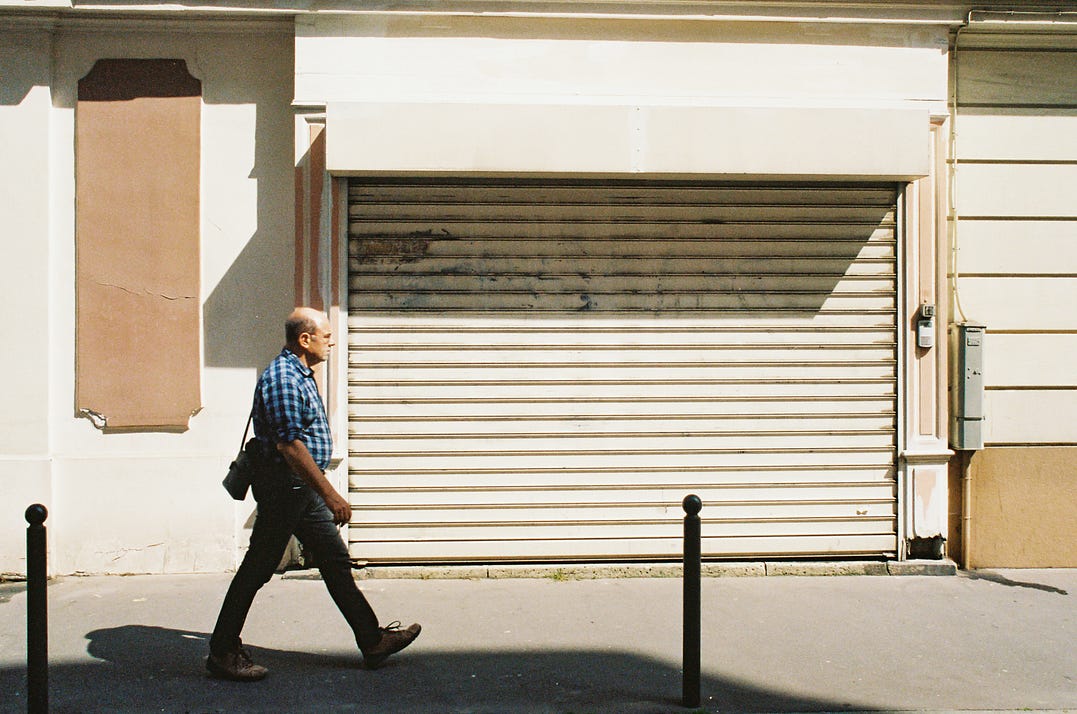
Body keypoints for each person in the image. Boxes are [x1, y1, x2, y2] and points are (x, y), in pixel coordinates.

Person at [207, 307, 420, 681]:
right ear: (305, 339)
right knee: (257, 568)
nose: (331, 341)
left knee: (335, 561)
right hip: (285, 488)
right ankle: (223, 651)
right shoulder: (284, 379)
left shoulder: (301, 373)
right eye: (325, 335)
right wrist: (331, 496)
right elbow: (290, 446)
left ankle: (372, 640)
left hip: (299, 488)